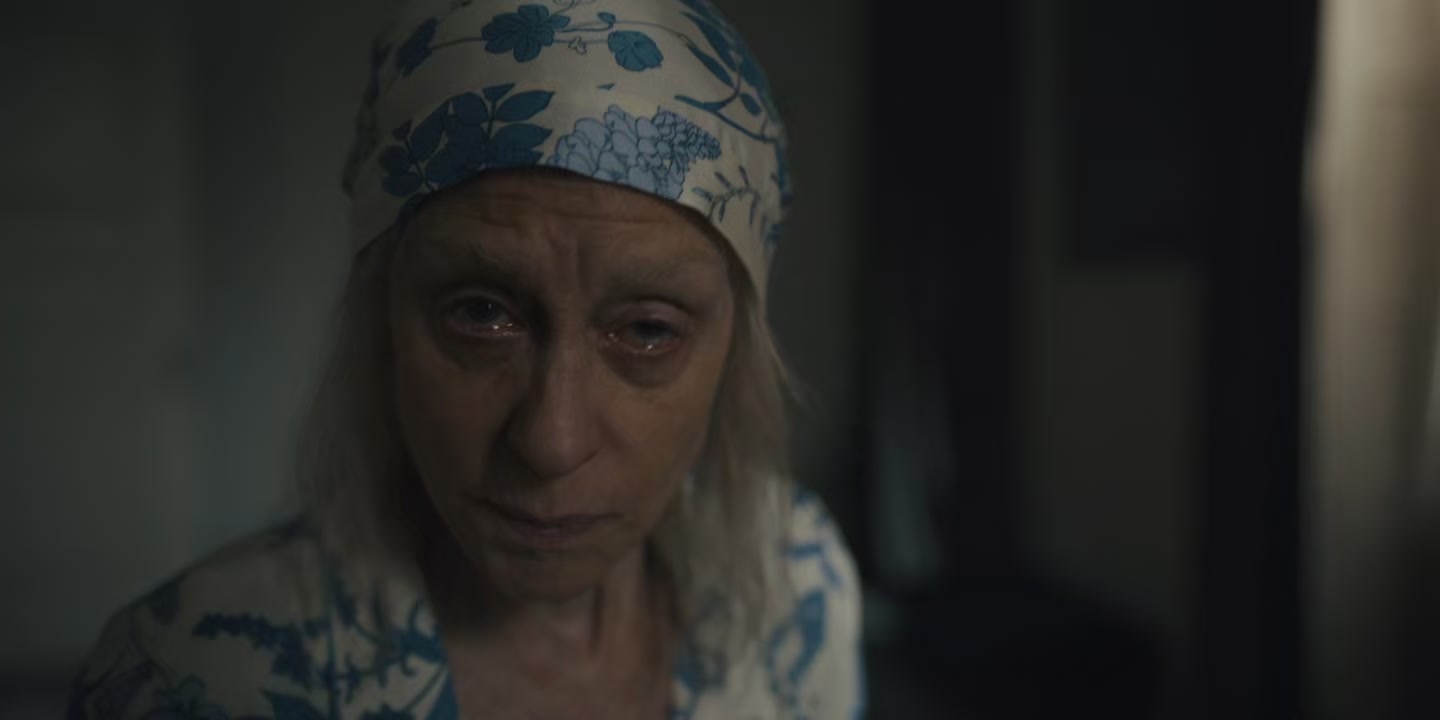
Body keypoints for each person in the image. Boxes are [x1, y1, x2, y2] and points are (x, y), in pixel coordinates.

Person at [68, 0, 864, 717]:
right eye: (482, 314)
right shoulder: (192, 675)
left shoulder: (797, 585)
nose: (551, 441)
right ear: (383, 323)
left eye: (649, 331)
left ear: (734, 347)